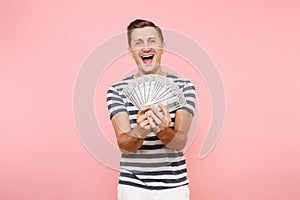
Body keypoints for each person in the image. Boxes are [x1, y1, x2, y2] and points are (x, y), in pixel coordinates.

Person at [106, 19, 196, 200]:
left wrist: (162, 130)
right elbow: (125, 145)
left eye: (151, 41)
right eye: (138, 43)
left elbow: (179, 142)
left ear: (163, 46)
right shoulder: (116, 91)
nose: (145, 47)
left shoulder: (184, 87)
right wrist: (141, 130)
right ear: (130, 51)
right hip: (132, 186)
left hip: (174, 186)